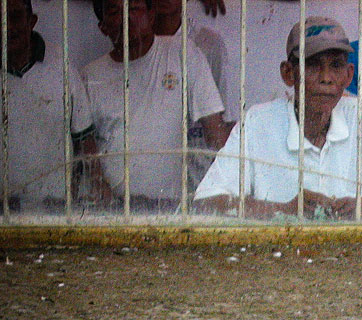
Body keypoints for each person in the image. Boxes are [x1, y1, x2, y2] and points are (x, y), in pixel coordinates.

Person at [194, 17, 362, 220]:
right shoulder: (259, 122)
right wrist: (282, 210)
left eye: (336, 66)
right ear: (288, 73)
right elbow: (207, 203)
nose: (326, 78)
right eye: (313, 65)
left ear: (348, 75)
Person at [83, 0, 228, 209]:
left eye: (134, 8)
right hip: (112, 210)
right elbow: (85, 150)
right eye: (115, 11)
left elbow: (217, 135)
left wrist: (222, 196)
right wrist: (103, 194)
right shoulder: (90, 77)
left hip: (172, 209)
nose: (127, 18)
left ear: (151, 15)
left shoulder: (183, 54)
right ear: (103, 27)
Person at [1, 0, 111, 209]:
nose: (7, 27)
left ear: (31, 21)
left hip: (55, 207)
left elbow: (84, 138)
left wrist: (98, 183)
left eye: (14, 16)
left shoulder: (60, 63)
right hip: (4, 210)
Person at [152, 0, 234, 188]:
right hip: (155, 171)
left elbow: (223, 120)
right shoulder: (136, 44)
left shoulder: (208, 44)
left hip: (199, 173)